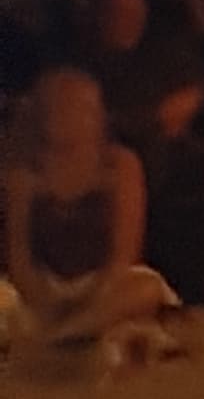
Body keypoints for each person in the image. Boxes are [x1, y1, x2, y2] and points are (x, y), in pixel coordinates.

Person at [2, 65, 177, 365]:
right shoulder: (24, 174)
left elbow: (125, 252)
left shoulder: (120, 166)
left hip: (103, 285)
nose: (72, 115)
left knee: (144, 289)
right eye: (64, 106)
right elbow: (19, 254)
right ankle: (75, 333)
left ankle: (64, 336)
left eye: (83, 108)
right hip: (43, 286)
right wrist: (42, 299)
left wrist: (96, 298)